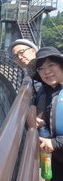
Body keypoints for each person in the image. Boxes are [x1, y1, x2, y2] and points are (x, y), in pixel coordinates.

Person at [28, 46, 63, 181]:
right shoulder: (50, 90)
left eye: (51, 65)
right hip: (56, 158)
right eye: (41, 68)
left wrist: (55, 143)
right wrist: (43, 124)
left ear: (61, 66)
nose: (46, 72)